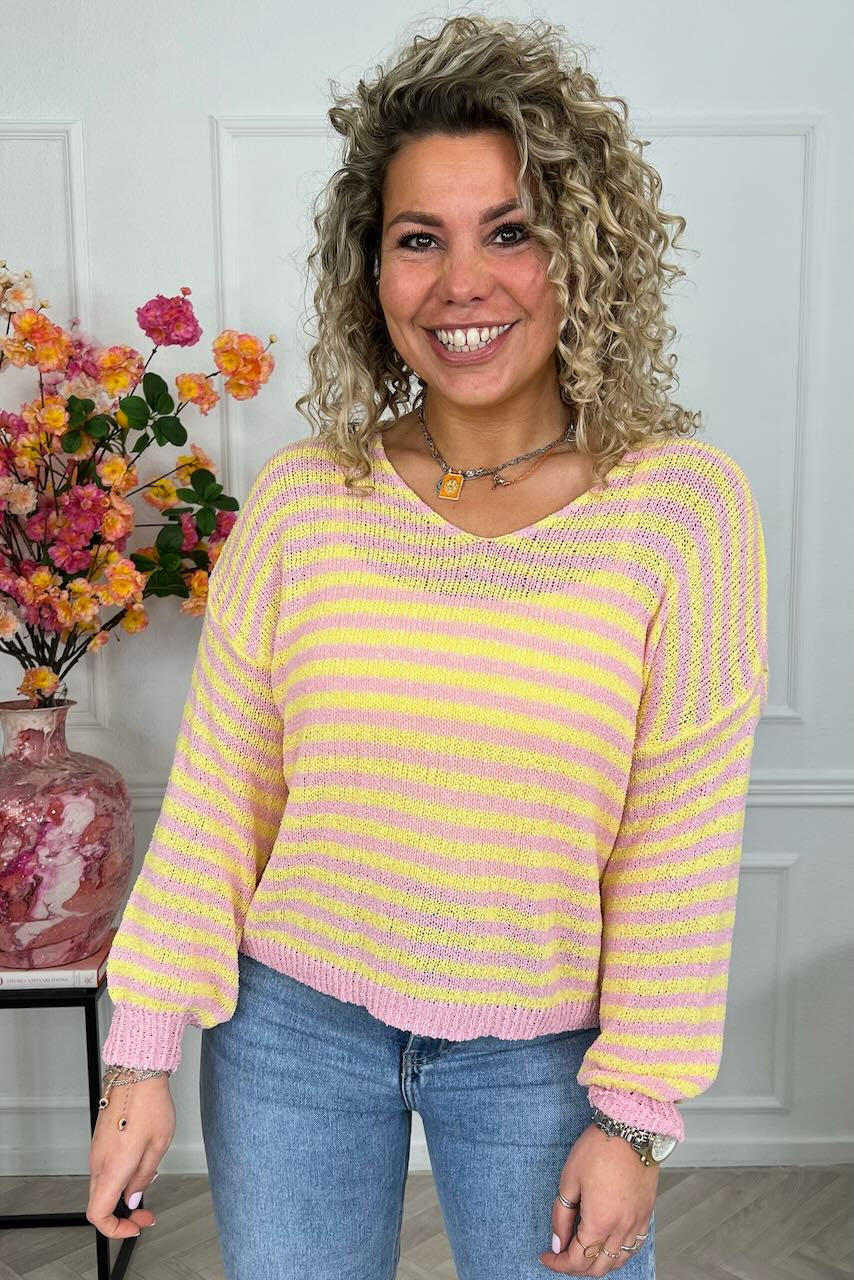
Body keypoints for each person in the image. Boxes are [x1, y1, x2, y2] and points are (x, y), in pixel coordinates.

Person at [87, 14, 769, 1279]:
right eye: (418, 238)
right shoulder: (306, 498)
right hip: (289, 1031)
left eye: (509, 231)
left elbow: (676, 845)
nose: (462, 282)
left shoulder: (680, 511)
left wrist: (632, 1113)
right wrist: (140, 1051)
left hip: (544, 1054)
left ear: (581, 255)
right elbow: (222, 791)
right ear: (372, 272)